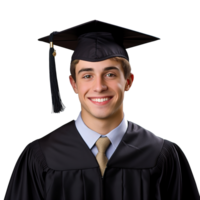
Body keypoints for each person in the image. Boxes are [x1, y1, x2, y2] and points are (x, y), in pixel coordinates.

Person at [4, 19, 199, 200]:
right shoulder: (41, 156)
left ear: (129, 82)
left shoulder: (161, 155)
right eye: (87, 76)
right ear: (74, 85)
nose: (99, 86)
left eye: (110, 74)